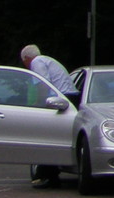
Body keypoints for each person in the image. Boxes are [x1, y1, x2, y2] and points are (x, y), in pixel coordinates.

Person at [20, 45, 75, 188]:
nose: (26, 66)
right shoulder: (48, 60)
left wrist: (40, 106)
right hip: (69, 98)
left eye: (24, 62)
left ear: (26, 59)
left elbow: (43, 84)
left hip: (61, 99)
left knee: (46, 137)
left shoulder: (36, 62)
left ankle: (49, 176)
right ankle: (49, 174)